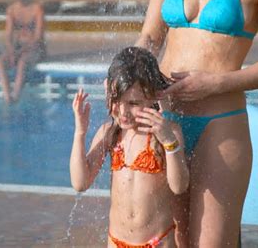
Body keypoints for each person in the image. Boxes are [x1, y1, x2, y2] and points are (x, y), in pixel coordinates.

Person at [135, 0, 258, 246]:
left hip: (219, 123)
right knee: (169, 240)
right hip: (165, 119)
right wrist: (125, 74)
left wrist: (216, 84)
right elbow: (150, 38)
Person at [70, 47, 189, 247]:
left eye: (133, 103)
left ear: (153, 96)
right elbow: (80, 182)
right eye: (117, 101)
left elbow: (179, 186)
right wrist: (80, 133)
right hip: (116, 242)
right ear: (108, 89)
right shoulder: (109, 133)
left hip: (158, 243)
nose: (123, 111)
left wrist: (169, 142)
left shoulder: (168, 134)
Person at [0, 0, 46, 104]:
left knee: (23, 62)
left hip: (35, 49)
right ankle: (7, 97)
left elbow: (38, 38)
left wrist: (20, 52)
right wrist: (12, 51)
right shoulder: (12, 10)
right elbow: (8, 36)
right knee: (1, 63)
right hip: (18, 48)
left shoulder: (37, 9)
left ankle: (16, 97)